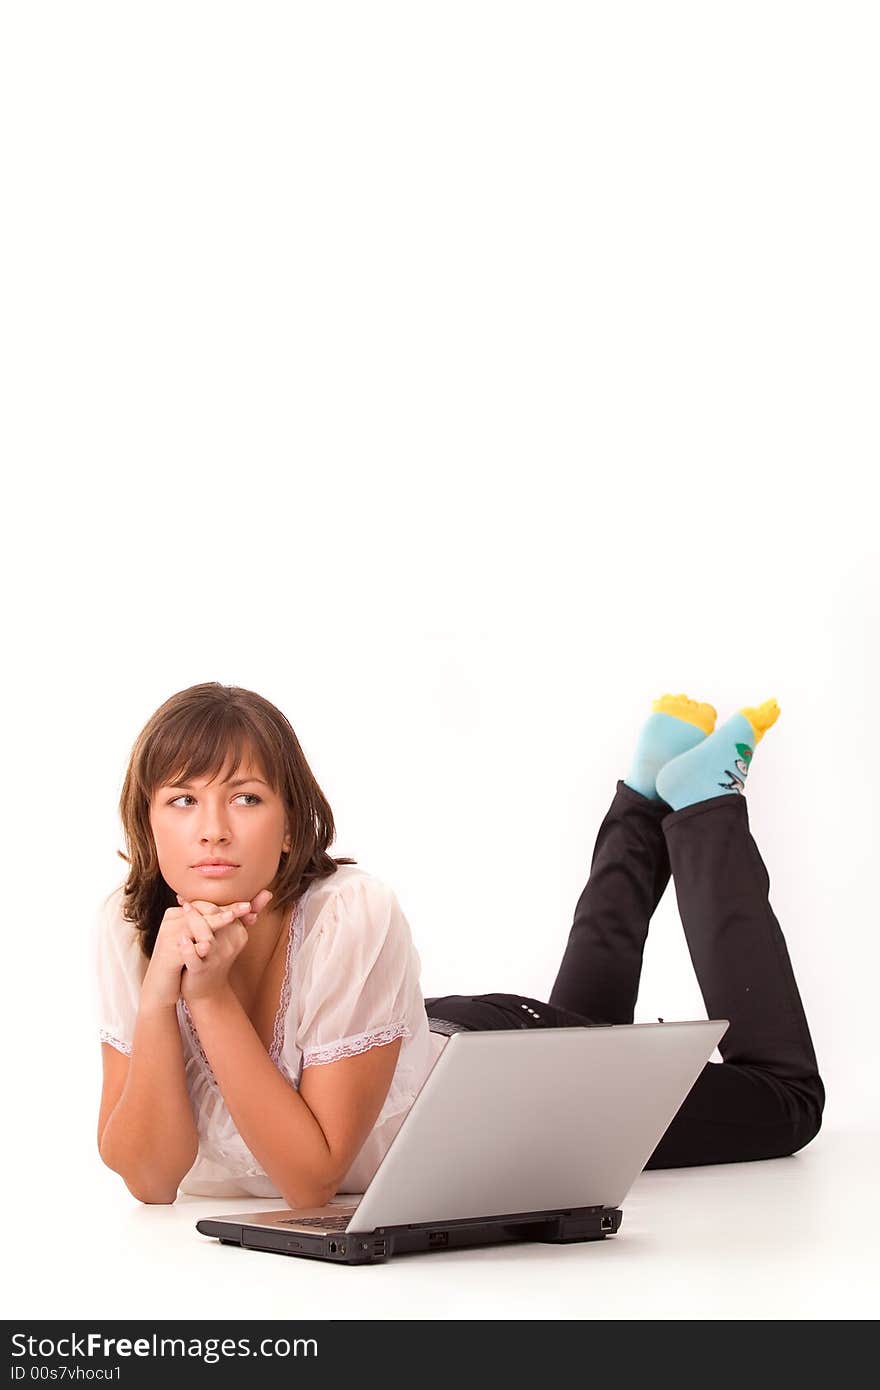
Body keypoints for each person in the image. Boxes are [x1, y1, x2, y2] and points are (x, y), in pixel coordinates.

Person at [95, 684, 824, 1207]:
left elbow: (311, 1181)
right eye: (182, 800)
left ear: (291, 825)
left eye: (246, 797)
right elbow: (151, 1180)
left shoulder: (351, 912)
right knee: (591, 1035)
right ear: (149, 823)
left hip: (502, 1097)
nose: (212, 828)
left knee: (787, 1102)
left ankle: (704, 806)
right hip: (432, 1053)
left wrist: (209, 998)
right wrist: (160, 1001)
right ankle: (643, 796)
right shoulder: (128, 931)